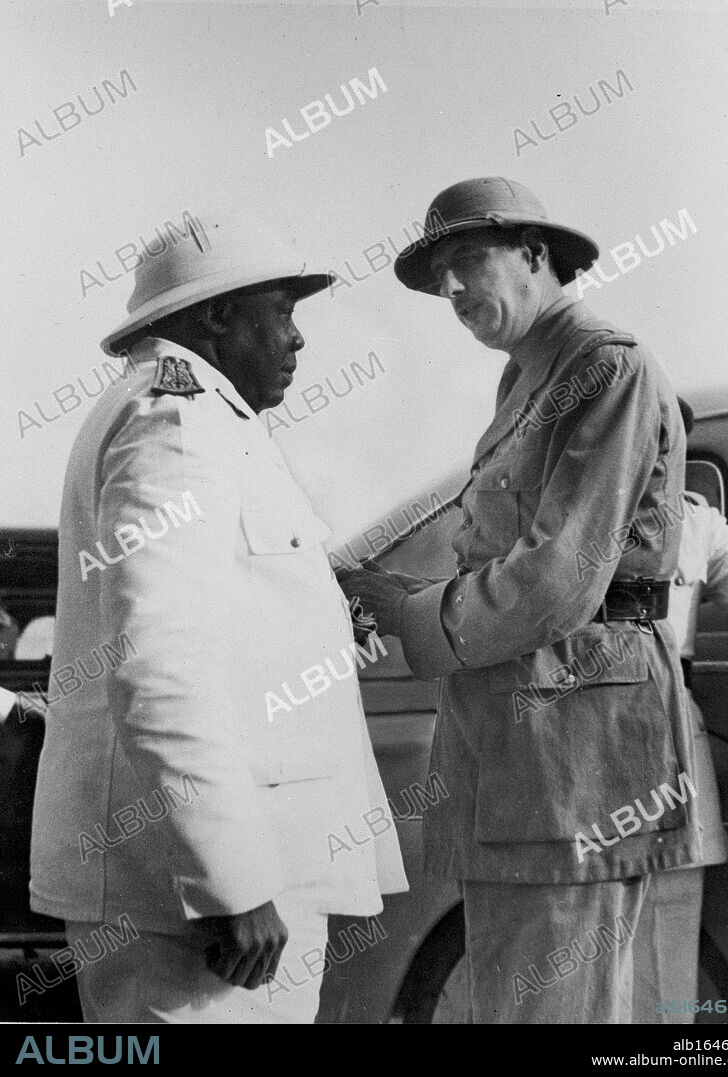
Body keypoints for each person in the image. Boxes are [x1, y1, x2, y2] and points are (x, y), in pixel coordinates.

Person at [338, 176, 704, 1023]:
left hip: (576, 754)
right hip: (530, 751)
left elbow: (555, 582)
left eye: (468, 260)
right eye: (440, 279)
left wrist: (407, 609)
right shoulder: (530, 374)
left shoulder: (603, 363)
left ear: (536, 254)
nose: (453, 290)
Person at [30, 214, 407, 1024]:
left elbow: (212, 629)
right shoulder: (177, 421)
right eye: (284, 311)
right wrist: (231, 878)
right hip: (197, 905)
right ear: (216, 315)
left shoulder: (204, 423)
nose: (297, 340)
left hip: (207, 890)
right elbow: (158, 661)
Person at [635, 399, 728, 1021]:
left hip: (667, 739)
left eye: (669, 444)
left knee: (668, 940)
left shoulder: (694, 524)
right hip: (571, 743)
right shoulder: (558, 523)